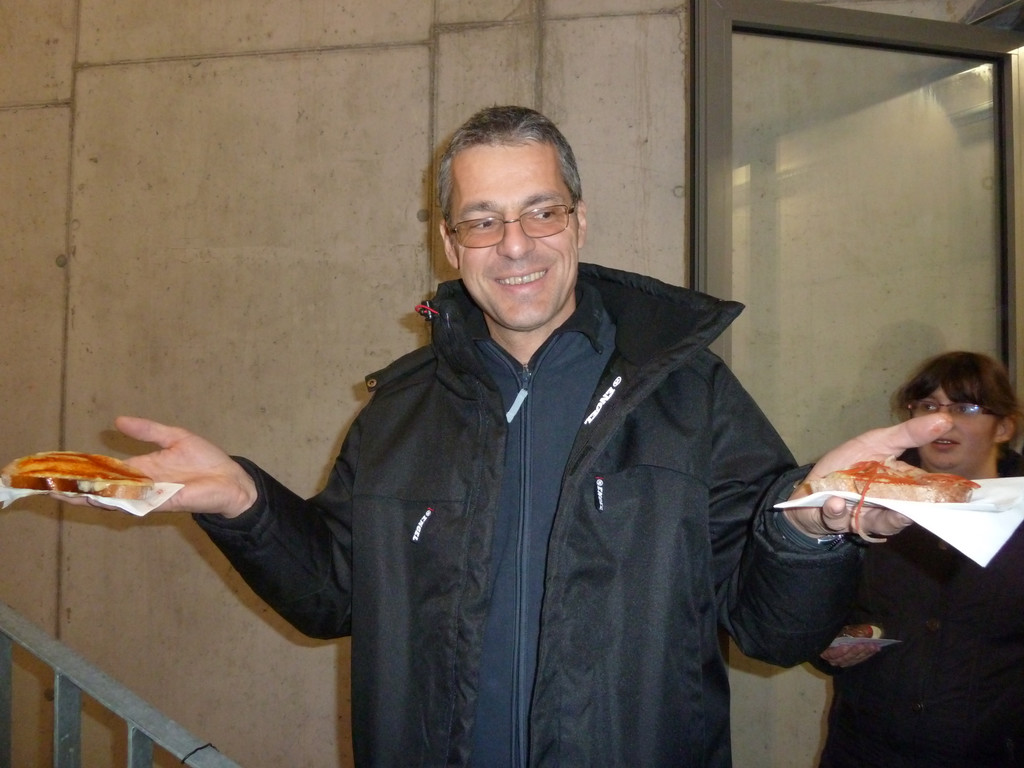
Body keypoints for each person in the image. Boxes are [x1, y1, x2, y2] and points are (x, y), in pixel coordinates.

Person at [70, 106, 953, 767]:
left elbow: (771, 630)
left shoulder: (691, 398)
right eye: (483, 219)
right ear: (451, 243)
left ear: (580, 221)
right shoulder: (399, 413)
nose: (516, 244)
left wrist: (811, 528)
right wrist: (244, 503)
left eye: (542, 212)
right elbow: (333, 594)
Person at [817, 351, 1024, 768]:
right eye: (929, 406)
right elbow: (814, 605)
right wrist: (831, 640)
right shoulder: (865, 499)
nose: (942, 421)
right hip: (864, 750)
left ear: (1003, 426)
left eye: (965, 407)